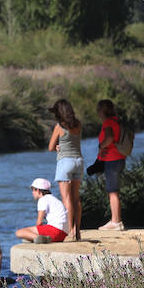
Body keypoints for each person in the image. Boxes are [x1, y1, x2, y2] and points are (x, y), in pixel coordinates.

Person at [48, 99, 84, 240]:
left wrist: (57, 146)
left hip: (65, 162)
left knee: (66, 199)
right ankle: (78, 231)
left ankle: (70, 231)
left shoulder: (59, 127)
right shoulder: (79, 124)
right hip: (79, 161)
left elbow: (50, 147)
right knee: (76, 199)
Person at [96, 99, 126, 231]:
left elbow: (109, 138)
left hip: (112, 159)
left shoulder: (108, 122)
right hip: (120, 158)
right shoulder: (117, 121)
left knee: (112, 191)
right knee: (114, 189)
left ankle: (116, 221)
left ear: (102, 110)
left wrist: (100, 146)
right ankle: (115, 220)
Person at [15, 178, 69, 244]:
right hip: (63, 234)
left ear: (38, 190)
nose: (32, 193)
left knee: (19, 232)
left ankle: (40, 238)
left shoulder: (43, 199)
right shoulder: (53, 199)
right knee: (28, 236)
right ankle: (38, 238)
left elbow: (39, 222)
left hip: (55, 231)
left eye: (33, 190)